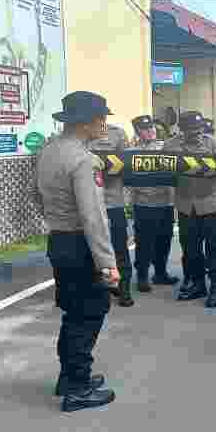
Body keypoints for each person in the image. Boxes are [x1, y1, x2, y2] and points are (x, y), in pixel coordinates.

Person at [36, 91, 119, 412]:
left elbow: (36, 195)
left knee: (73, 312)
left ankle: (69, 377)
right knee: (89, 314)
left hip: (59, 240)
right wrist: (108, 263)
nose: (104, 124)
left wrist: (57, 220)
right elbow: (93, 217)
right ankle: (79, 388)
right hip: (81, 244)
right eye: (101, 118)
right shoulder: (83, 160)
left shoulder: (48, 152)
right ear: (85, 122)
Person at [163, 111, 216, 309]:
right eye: (192, 131)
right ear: (182, 131)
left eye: (200, 130)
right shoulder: (171, 145)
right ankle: (198, 284)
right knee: (191, 249)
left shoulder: (214, 145)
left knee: (215, 247)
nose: (197, 134)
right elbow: (164, 167)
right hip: (185, 205)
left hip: (210, 203)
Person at [130, 115, 179, 293]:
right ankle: (142, 276)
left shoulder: (165, 147)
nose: (150, 131)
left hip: (166, 202)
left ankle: (160, 273)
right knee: (144, 242)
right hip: (144, 204)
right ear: (137, 132)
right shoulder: (132, 152)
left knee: (164, 240)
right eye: (145, 129)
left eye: (151, 127)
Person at [87, 123, 134, 307]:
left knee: (119, 248)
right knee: (91, 249)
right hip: (89, 203)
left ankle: (124, 289)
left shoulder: (117, 133)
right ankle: (97, 289)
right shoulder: (81, 133)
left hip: (113, 201)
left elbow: (128, 162)